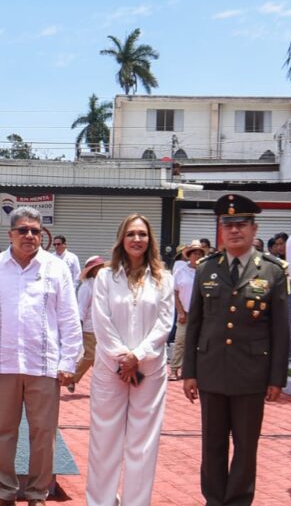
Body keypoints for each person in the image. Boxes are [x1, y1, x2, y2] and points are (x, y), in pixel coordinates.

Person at [181, 194, 290, 506]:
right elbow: (195, 324)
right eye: (228, 225)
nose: (234, 231)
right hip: (211, 370)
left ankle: (239, 501)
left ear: (254, 229)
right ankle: (214, 500)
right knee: (212, 444)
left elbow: (280, 330)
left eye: (241, 224)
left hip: (251, 374)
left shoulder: (272, 270)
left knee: (245, 445)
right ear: (220, 230)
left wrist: (276, 378)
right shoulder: (206, 269)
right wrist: (189, 372)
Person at [0, 207, 81, 506]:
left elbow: (69, 317)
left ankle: (38, 493)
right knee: (4, 432)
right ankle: (4, 491)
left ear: (42, 236)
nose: (29, 236)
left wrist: (68, 363)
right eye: (23, 230)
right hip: (3, 364)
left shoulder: (56, 268)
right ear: (10, 234)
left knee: (43, 433)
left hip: (44, 365)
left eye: (35, 231)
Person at [86, 213, 174, 506]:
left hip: (149, 368)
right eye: (131, 234)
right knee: (105, 439)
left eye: (142, 234)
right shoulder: (105, 276)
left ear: (150, 240)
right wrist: (123, 357)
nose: (137, 239)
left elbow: (164, 324)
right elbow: (101, 321)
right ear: (122, 239)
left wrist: (138, 355)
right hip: (111, 368)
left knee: (143, 442)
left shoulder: (163, 278)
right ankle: (101, 501)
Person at [70, 255, 108, 392]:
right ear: (92, 270)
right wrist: (78, 327)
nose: (101, 270)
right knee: (91, 356)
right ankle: (73, 377)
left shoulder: (105, 285)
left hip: (104, 327)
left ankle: (102, 384)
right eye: (98, 268)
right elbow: (81, 308)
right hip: (90, 327)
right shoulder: (87, 287)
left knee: (101, 358)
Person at [169, 241, 206, 381]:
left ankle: (191, 371)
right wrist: (180, 312)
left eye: (199, 254)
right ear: (189, 256)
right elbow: (175, 293)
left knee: (198, 343)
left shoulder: (205, 271)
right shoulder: (180, 271)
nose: (197, 256)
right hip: (185, 312)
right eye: (194, 253)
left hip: (201, 313)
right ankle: (174, 369)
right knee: (180, 341)